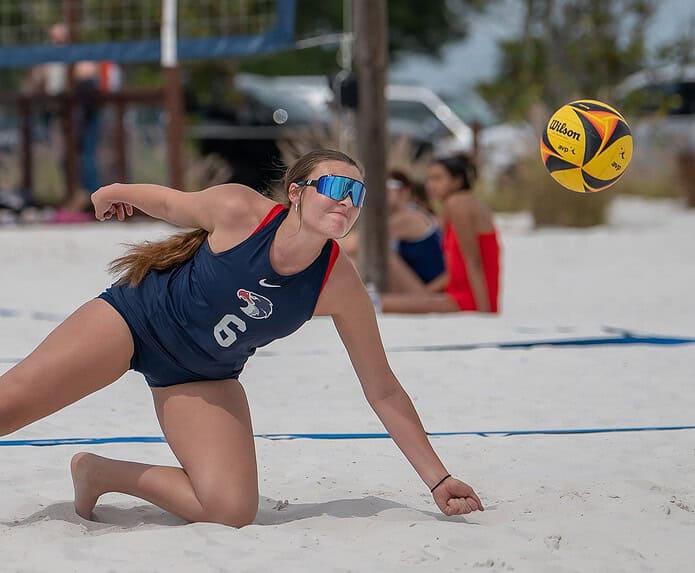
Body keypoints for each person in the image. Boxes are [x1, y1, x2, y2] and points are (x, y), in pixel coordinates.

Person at [0, 149, 483, 527]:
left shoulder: (338, 283)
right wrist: (115, 190)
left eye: (358, 194)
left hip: (202, 374)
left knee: (230, 510)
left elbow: (382, 389)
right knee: (8, 407)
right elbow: (172, 203)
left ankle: (99, 473)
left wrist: (438, 479)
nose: (346, 200)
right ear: (296, 192)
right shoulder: (240, 210)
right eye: (335, 186)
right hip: (134, 321)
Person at [379, 155, 501, 313]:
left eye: (438, 178)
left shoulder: (458, 203)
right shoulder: (457, 205)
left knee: (378, 304)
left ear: (457, 181)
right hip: (457, 294)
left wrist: (485, 312)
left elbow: (474, 262)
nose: (431, 185)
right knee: (380, 302)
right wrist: (425, 295)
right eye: (429, 179)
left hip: (468, 299)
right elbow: (456, 269)